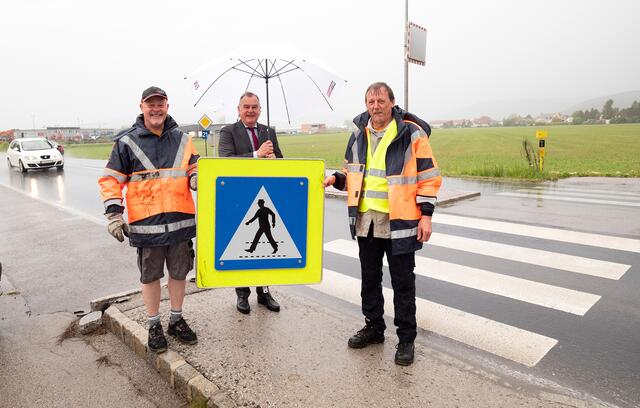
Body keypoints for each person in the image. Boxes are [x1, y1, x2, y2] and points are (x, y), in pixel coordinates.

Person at [323, 82, 441, 366]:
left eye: (380, 100)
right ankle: (374, 328)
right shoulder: (358, 134)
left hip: (399, 220)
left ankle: (406, 340)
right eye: (371, 101)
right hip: (367, 220)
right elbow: (353, 171)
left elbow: (428, 175)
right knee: (370, 279)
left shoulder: (411, 134)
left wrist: (426, 214)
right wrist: (336, 179)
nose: (375, 106)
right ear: (366, 104)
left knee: (403, 282)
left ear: (392, 102)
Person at [98, 86, 199, 353]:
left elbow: (194, 167)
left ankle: (176, 319)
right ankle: (154, 324)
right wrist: (114, 214)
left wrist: (197, 177)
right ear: (142, 106)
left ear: (167, 106)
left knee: (179, 274)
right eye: (150, 104)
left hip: (180, 222)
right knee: (150, 276)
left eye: (160, 104)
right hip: (147, 225)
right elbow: (111, 180)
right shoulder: (127, 142)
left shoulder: (183, 139)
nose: (156, 109)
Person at [219, 91, 282, 314]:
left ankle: (264, 292)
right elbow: (225, 161)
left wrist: (275, 160)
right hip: (239, 198)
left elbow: (282, 162)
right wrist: (256, 154)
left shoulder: (268, 131)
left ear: (260, 110)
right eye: (246, 106)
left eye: (254, 107)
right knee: (241, 248)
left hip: (265, 195)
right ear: (239, 109)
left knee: (263, 251)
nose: (250, 111)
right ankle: (242, 294)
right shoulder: (228, 132)